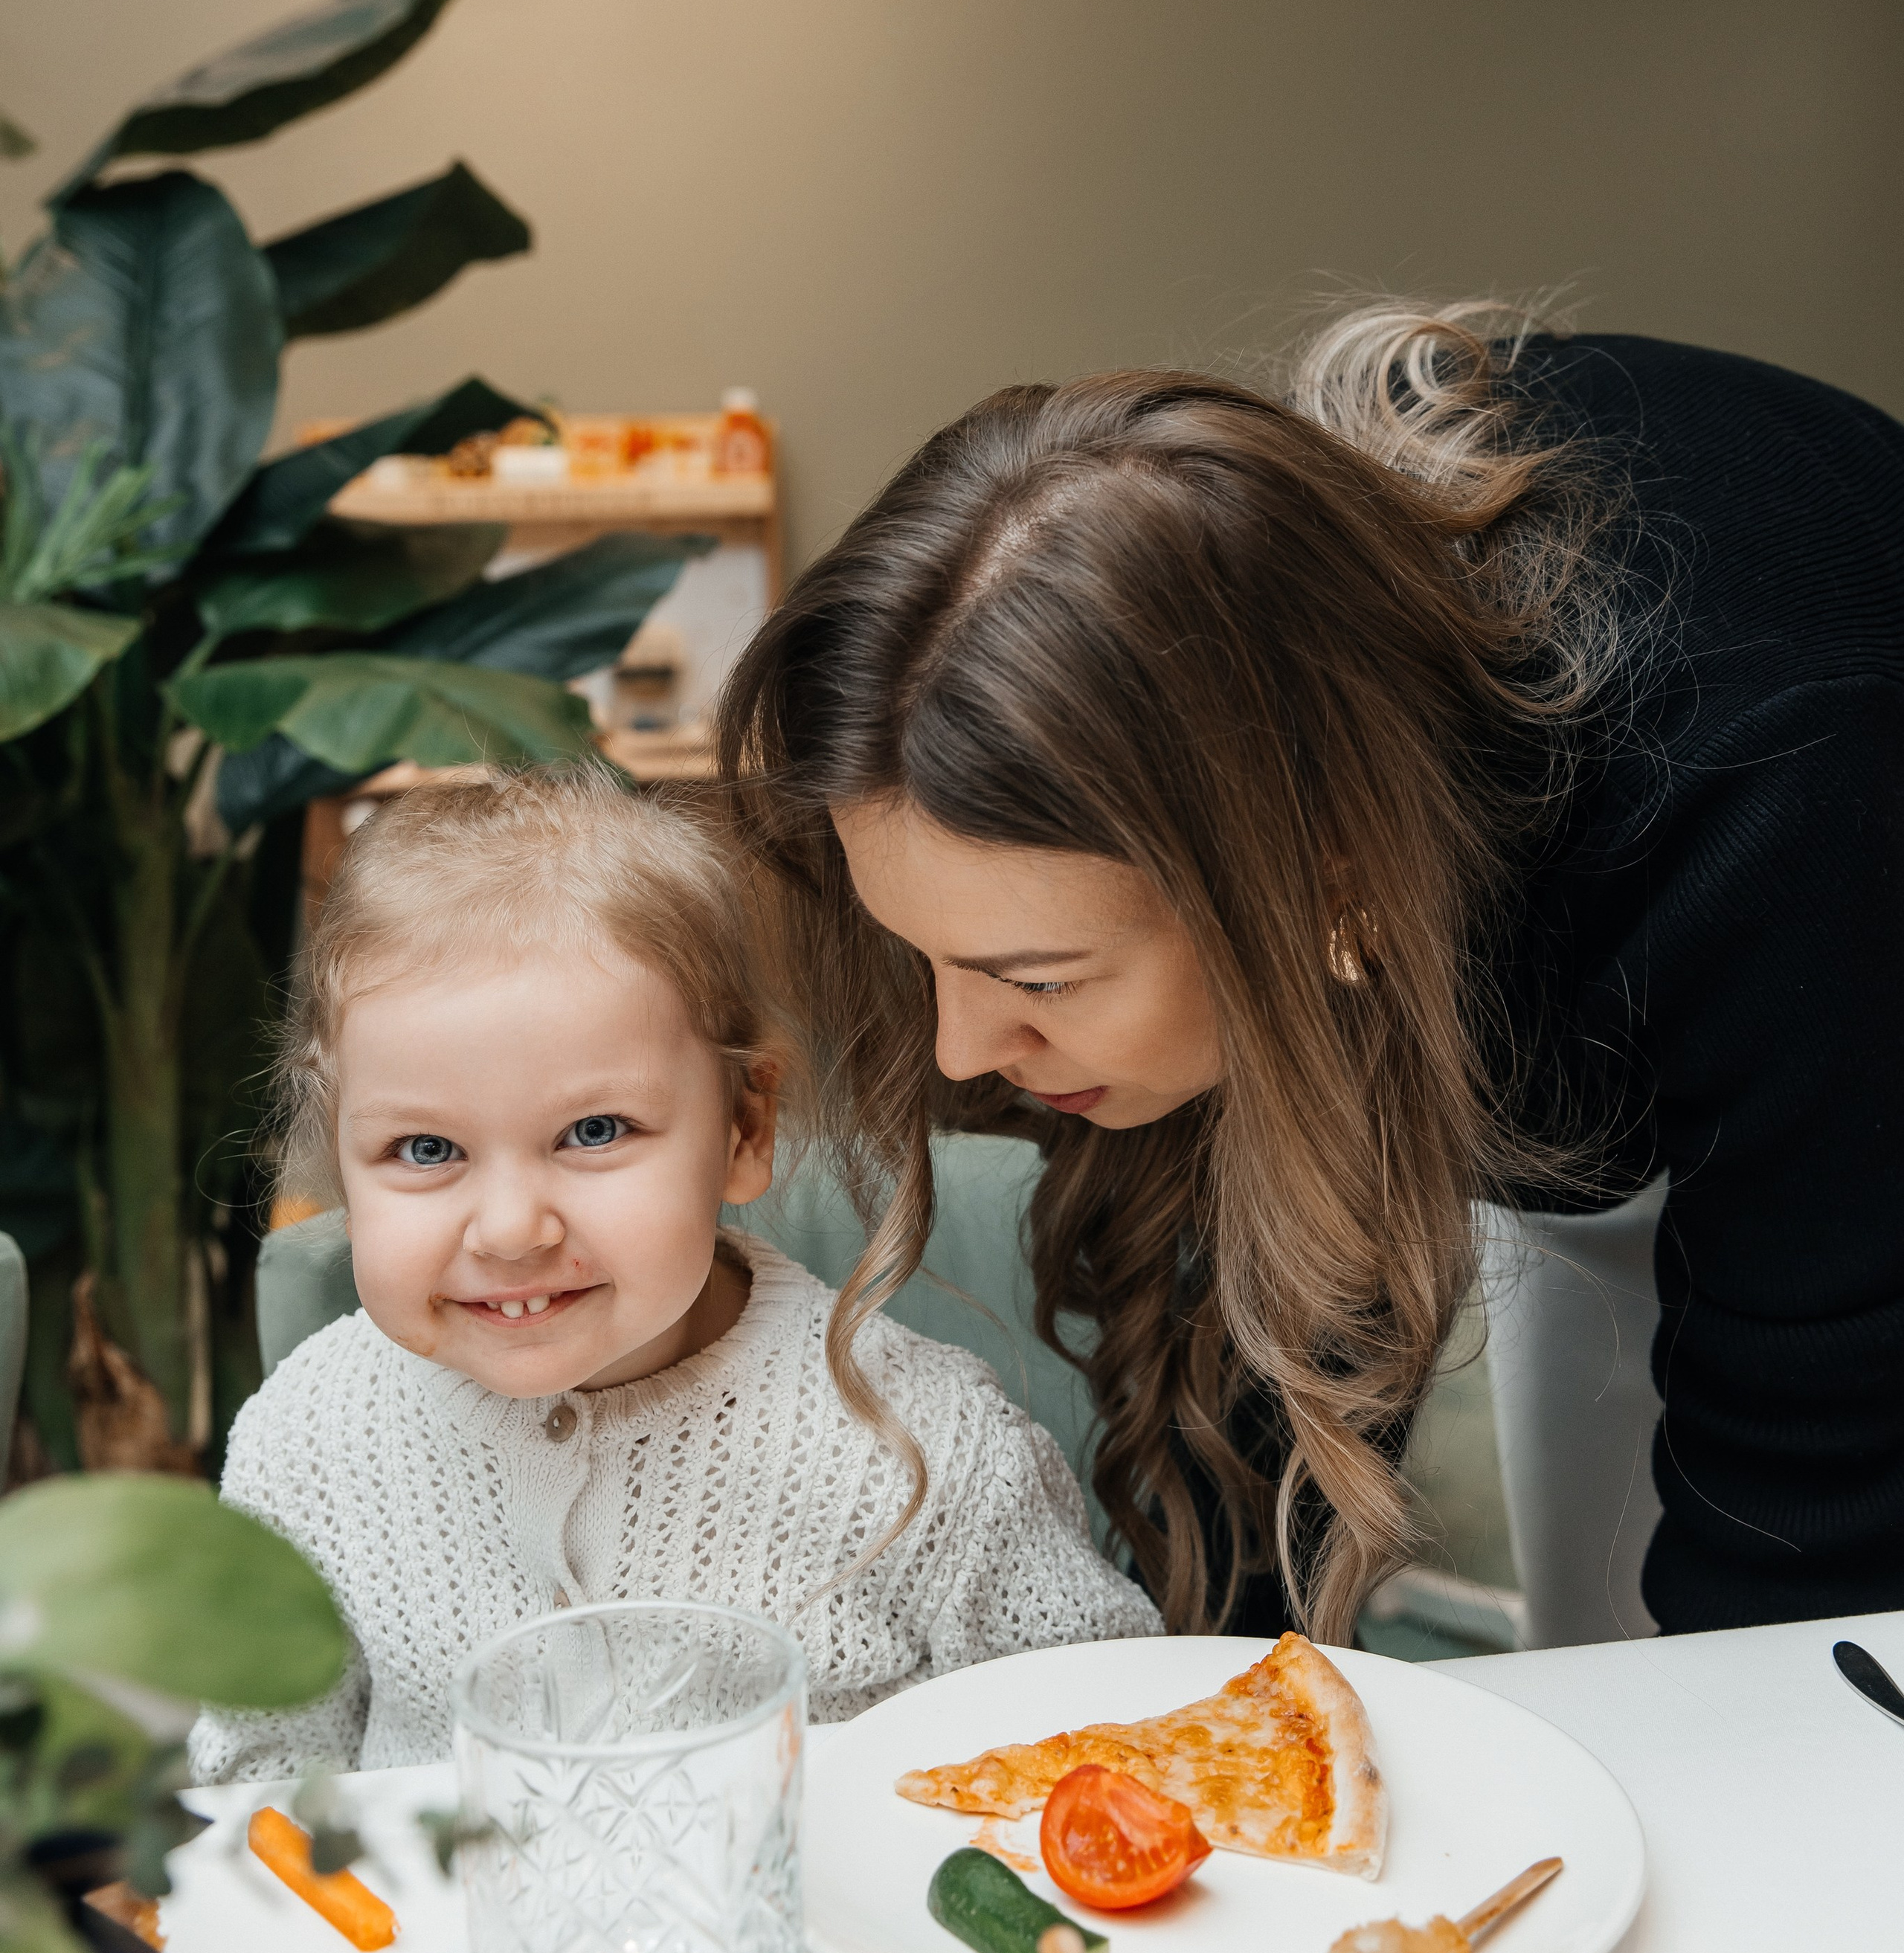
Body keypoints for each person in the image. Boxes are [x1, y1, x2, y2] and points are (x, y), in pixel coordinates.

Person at [718, 307, 1904, 1645]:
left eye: (1037, 979)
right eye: (926, 956)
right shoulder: (1250, 728)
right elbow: (1273, 1378)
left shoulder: (1773, 785)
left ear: (1322, 881)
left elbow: (1821, 1525)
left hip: (1837, 945)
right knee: (1597, 1628)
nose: (959, 1052)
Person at [189, 768, 1154, 1783]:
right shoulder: (302, 1442)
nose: (511, 1228)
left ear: (746, 1126)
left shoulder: (922, 1445)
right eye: (426, 1149)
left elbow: (1100, 1747)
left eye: (593, 1131)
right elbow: (257, 1797)